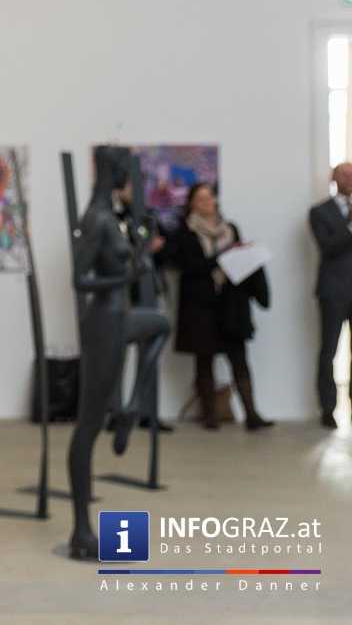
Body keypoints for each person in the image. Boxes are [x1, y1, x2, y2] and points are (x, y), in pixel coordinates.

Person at [65, 146, 169, 561]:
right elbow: (79, 279)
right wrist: (126, 274)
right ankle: (80, 530)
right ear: (115, 175)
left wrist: (140, 256)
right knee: (88, 426)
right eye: (128, 174)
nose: (132, 183)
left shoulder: (113, 218)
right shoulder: (98, 219)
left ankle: (130, 409)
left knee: (161, 325)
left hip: (119, 316)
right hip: (102, 323)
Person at [170, 183, 272, 431]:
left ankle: (251, 414)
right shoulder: (185, 232)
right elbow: (190, 267)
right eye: (200, 198)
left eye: (209, 197)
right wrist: (223, 256)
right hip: (200, 307)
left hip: (230, 305)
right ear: (192, 203)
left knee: (239, 359)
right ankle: (210, 415)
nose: (206, 202)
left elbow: (239, 265)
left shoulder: (230, 229)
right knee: (204, 361)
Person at [308, 162, 352, 428]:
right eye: (344, 174)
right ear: (334, 178)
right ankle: (327, 408)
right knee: (329, 351)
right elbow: (328, 247)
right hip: (333, 291)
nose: (349, 178)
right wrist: (349, 225)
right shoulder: (320, 212)